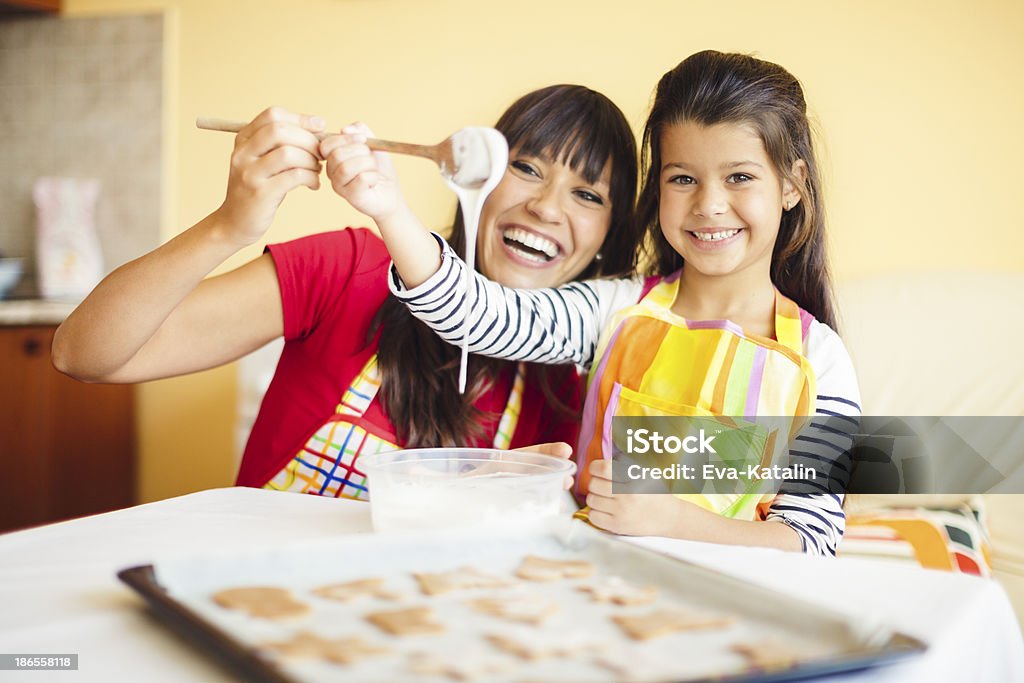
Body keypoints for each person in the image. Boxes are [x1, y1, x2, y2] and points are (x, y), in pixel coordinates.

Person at [324, 51, 859, 556]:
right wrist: (388, 208)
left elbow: (811, 540)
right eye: (683, 179)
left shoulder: (823, 358)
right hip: (592, 588)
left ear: (792, 185)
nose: (709, 204)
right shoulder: (614, 310)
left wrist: (672, 520)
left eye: (739, 177)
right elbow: (481, 316)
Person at [51, 84, 643, 498]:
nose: (545, 207)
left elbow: (721, 472)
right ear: (477, 177)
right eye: (527, 168)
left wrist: (523, 500)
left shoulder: (584, 376)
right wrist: (229, 225)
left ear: (610, 237)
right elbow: (83, 355)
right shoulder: (351, 269)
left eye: (588, 195)